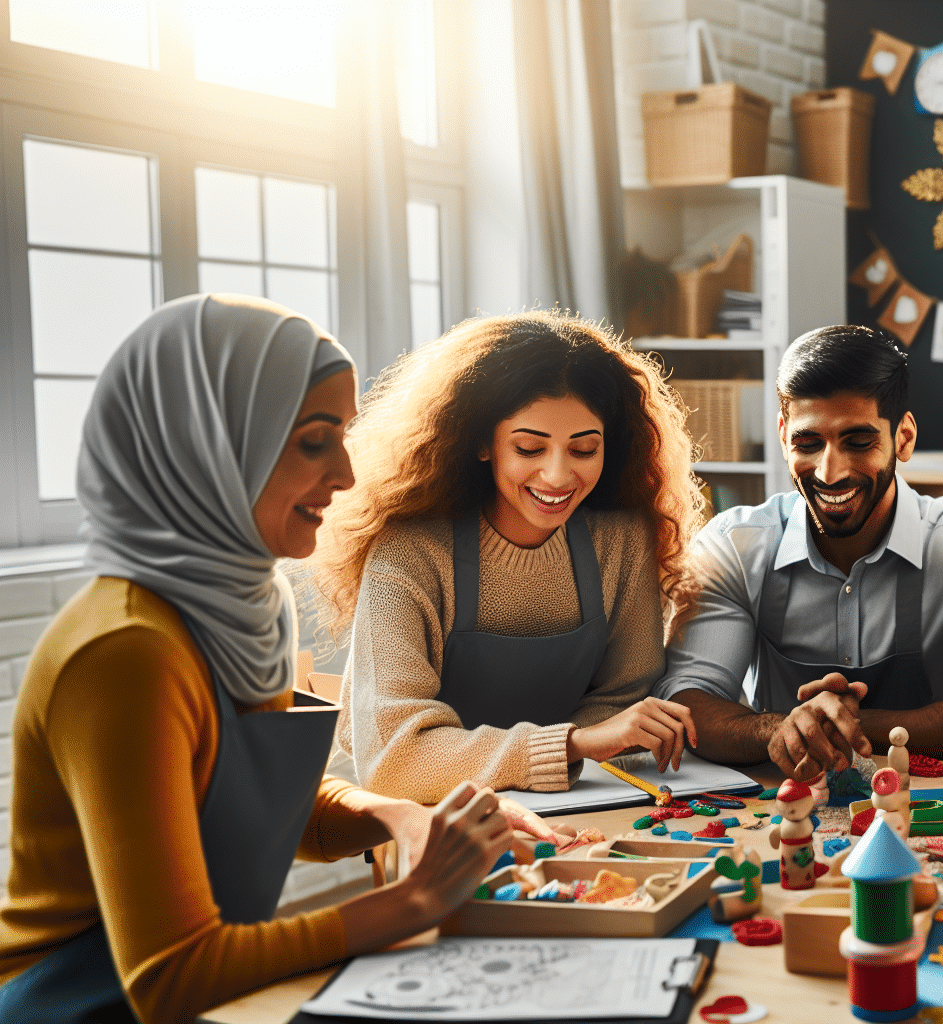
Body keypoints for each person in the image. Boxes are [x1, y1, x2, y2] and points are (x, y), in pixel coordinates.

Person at [0, 295, 511, 1023]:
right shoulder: (126, 652)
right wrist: (415, 900)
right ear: (205, 446)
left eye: (344, 436)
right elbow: (169, 978)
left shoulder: (243, 602)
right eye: (313, 440)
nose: (346, 474)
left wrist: (401, 814)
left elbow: (275, 813)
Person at [308, 312, 706, 803]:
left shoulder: (622, 538)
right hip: (437, 819)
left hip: (579, 803)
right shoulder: (408, 553)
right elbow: (393, 757)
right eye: (529, 447)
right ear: (480, 441)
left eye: (584, 449)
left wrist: (570, 754)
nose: (558, 476)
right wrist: (571, 745)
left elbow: (626, 698)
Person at [653, 325, 943, 779]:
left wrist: (832, 725)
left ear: (903, 438)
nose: (830, 472)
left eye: (858, 442)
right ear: (783, 434)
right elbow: (687, 699)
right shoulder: (735, 547)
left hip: (932, 800)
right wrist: (778, 729)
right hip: (782, 805)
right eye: (809, 443)